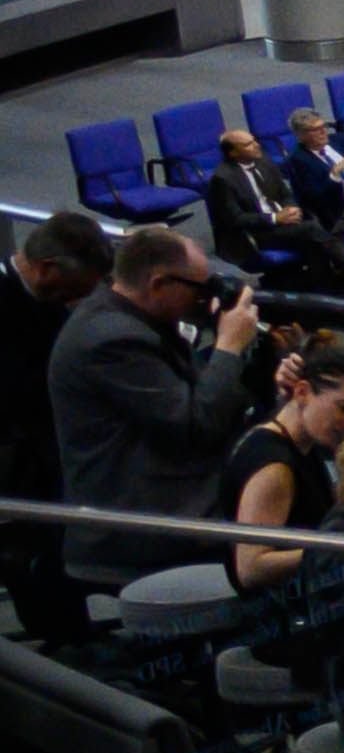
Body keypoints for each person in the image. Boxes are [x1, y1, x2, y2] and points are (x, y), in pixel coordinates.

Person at [51, 222, 258, 583]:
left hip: (160, 477)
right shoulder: (112, 339)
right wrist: (228, 346)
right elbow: (197, 425)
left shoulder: (125, 312)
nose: (202, 298)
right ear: (158, 284)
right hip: (139, 518)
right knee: (279, 509)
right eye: (197, 289)